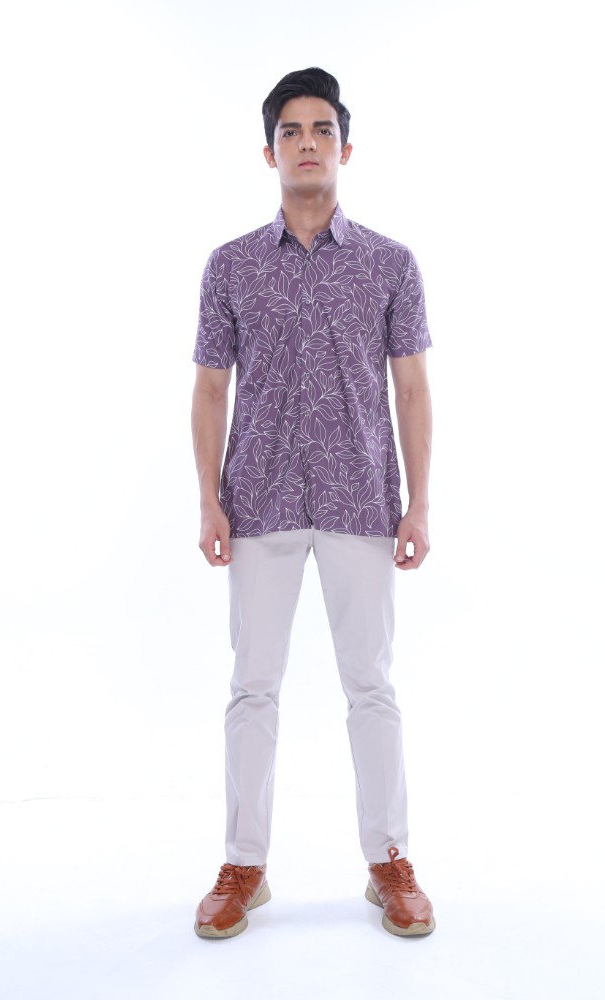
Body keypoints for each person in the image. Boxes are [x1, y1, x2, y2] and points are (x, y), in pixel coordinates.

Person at [190, 67, 434, 939]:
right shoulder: (230, 266)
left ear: (345, 147)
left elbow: (412, 387)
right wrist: (208, 500)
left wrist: (419, 505)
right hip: (257, 499)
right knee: (253, 687)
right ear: (269, 152)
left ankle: (389, 861)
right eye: (290, 130)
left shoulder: (390, 265)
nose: (306, 143)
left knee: (371, 685)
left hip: (361, 497)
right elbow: (210, 389)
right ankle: (243, 866)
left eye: (321, 129)